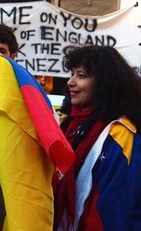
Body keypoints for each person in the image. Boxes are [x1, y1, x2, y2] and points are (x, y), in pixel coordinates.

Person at [53, 46, 141, 230]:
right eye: (71, 74)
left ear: (104, 83)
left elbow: (110, 210)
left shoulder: (119, 134)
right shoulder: (67, 125)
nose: (70, 82)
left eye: (81, 75)